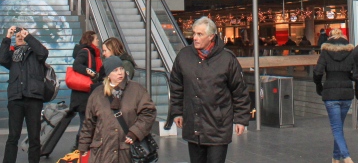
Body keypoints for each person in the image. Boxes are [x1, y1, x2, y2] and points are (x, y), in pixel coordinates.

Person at [169, 16, 249, 163]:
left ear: (211, 37)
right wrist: (177, 111)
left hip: (218, 125)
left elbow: (239, 91)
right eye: (193, 33)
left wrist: (241, 119)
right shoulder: (184, 56)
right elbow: (176, 87)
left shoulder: (227, 59)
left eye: (200, 34)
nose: (195, 38)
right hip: (193, 124)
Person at [77, 55, 156, 163]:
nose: (120, 72)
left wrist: (135, 133)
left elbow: (148, 112)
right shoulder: (97, 94)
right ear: (108, 74)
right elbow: (89, 122)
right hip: (102, 152)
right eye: (115, 70)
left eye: (121, 68)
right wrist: (83, 145)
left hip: (127, 151)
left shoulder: (137, 90)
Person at [0, 25, 49, 163]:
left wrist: (28, 36)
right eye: (17, 36)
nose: (20, 38)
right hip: (16, 98)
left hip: (33, 98)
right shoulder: (12, 55)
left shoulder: (35, 53)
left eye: (22, 36)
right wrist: (7, 36)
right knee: (13, 135)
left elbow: (43, 53)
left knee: (34, 137)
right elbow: (1, 59)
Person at [313, 25, 356, 163]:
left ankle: (346, 156)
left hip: (330, 93)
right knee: (339, 127)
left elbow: (318, 72)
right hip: (346, 93)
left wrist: (319, 86)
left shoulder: (325, 52)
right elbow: (355, 73)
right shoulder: (351, 52)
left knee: (337, 128)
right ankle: (335, 157)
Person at [71, 31, 103, 135]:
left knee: (86, 124)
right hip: (84, 95)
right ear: (90, 40)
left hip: (85, 94)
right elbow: (76, 65)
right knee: (85, 124)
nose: (98, 40)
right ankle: (80, 148)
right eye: (96, 38)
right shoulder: (85, 52)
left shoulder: (92, 53)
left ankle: (81, 148)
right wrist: (88, 71)